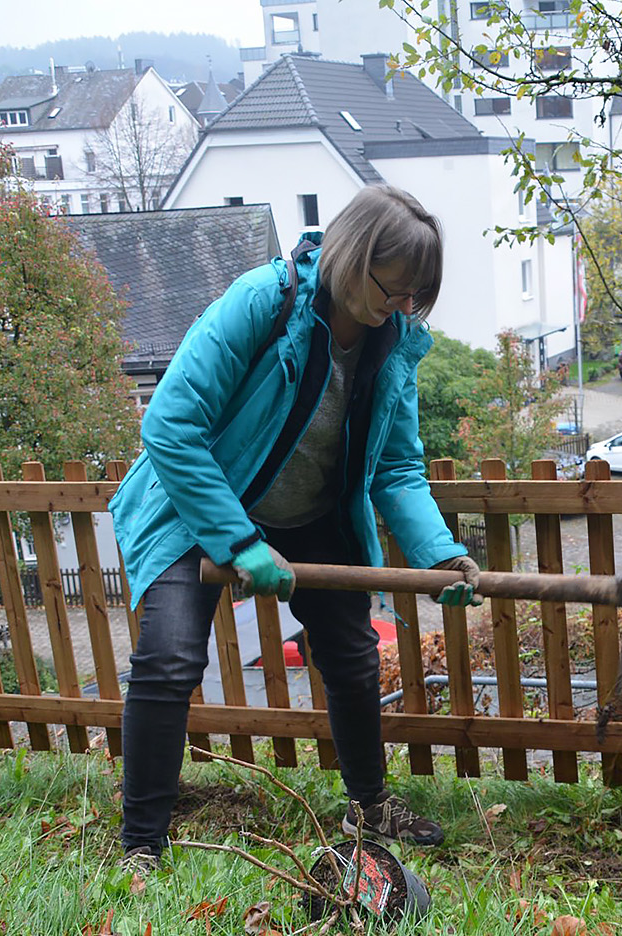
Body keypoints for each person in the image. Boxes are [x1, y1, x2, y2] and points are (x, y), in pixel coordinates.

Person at [110, 185, 481, 871]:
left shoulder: (389, 342)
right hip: (202, 501)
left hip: (310, 512)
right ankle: (141, 842)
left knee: (352, 651)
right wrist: (240, 540)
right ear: (351, 254)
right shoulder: (264, 303)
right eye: (391, 290)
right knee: (168, 659)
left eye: (411, 298)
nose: (398, 309)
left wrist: (440, 555)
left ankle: (367, 806)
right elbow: (168, 423)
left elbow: (397, 467)